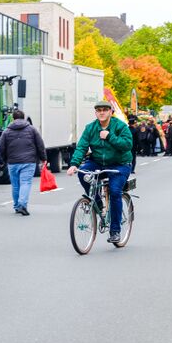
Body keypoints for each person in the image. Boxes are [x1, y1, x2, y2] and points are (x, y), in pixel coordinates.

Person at [66, 100, 133, 243]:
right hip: (98, 162)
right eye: (98, 110)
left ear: (111, 112)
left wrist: (109, 136)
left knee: (115, 191)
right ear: (96, 113)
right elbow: (81, 147)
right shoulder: (90, 128)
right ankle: (97, 203)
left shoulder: (120, 126)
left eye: (104, 110)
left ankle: (115, 231)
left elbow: (127, 145)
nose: (101, 112)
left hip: (120, 164)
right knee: (83, 172)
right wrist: (74, 164)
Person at [0, 110, 47, 216]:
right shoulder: (32, 129)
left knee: (15, 185)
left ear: (13, 118)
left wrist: (1, 162)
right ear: (24, 118)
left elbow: (1, 148)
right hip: (28, 161)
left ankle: (16, 206)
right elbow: (40, 145)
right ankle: (22, 205)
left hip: (13, 162)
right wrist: (43, 158)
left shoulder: (6, 131)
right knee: (25, 183)